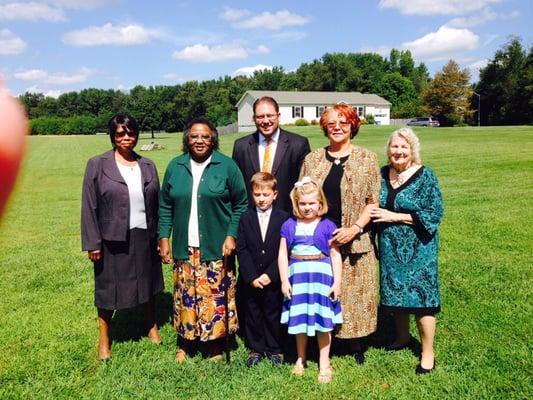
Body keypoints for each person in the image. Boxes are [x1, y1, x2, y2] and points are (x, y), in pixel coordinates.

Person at [159, 117, 248, 362]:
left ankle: (214, 345)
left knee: (214, 295)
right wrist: (164, 238)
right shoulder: (176, 166)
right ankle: (186, 342)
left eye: (205, 136)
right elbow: (165, 205)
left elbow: (241, 204)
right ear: (187, 139)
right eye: (194, 136)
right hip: (184, 247)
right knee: (186, 294)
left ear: (213, 139)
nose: (200, 140)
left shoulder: (226, 166)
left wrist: (231, 235)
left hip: (216, 245)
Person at [299, 104, 380, 364]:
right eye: (331, 122)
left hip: (355, 237)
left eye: (343, 122)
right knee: (321, 290)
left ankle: (354, 342)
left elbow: (373, 201)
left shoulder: (367, 158)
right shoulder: (312, 159)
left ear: (353, 126)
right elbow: (301, 196)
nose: (337, 127)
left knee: (354, 292)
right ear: (324, 127)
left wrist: (355, 228)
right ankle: (322, 343)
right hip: (319, 240)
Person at [81, 113, 164, 361]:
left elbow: (158, 205)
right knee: (108, 289)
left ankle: (151, 326)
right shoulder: (97, 164)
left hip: (144, 235)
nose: (126, 137)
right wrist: (92, 242)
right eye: (120, 133)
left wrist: (161, 238)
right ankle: (105, 339)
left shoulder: (147, 164)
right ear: (113, 136)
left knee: (147, 283)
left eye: (130, 133)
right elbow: (89, 205)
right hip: (111, 239)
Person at [369, 127, 443, 374]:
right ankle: (401, 338)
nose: (398, 151)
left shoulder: (426, 176)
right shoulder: (380, 174)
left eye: (404, 147)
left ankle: (427, 352)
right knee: (395, 295)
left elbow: (434, 213)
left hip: (419, 249)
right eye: (394, 146)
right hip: (390, 249)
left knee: (422, 300)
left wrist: (394, 216)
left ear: (413, 150)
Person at [278, 177, 342, 384]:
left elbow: (335, 255)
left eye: (311, 203)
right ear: (296, 204)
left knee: (323, 323)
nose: (307, 208)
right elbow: (282, 255)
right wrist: (284, 281)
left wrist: (337, 282)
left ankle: (324, 363)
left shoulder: (327, 225)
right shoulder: (289, 225)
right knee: (300, 322)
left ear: (320, 203)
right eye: (303, 203)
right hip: (298, 280)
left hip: (321, 280)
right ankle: (301, 358)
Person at [236, 172, 289, 367]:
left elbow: (286, 250)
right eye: (257, 195)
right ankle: (256, 348)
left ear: (275, 194)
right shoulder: (245, 217)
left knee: (273, 312)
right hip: (252, 278)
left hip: (273, 278)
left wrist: (271, 274)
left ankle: (275, 349)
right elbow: (241, 249)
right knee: (253, 312)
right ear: (252, 194)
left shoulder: (284, 218)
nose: (261, 199)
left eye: (266, 195)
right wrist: (251, 276)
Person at [232, 96, 311, 212]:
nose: (265, 121)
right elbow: (236, 188)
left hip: (287, 217)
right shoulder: (241, 146)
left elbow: (305, 185)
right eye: (260, 116)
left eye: (270, 115)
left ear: (278, 116)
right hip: (252, 218)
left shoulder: (298, 144)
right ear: (254, 118)